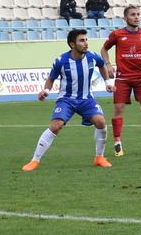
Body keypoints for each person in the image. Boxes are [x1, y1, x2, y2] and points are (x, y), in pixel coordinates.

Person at [21, 28, 113, 171]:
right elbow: (51, 79)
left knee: (100, 122)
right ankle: (35, 160)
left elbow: (102, 65)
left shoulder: (93, 57)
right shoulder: (61, 61)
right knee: (56, 126)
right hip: (66, 100)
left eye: (86, 40)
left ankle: (99, 157)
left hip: (86, 99)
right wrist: (46, 90)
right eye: (81, 40)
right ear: (72, 44)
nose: (86, 43)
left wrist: (108, 82)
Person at [102, 6, 141, 156]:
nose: (137, 17)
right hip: (122, 77)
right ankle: (117, 143)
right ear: (126, 18)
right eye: (133, 15)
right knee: (119, 109)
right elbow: (104, 49)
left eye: (138, 14)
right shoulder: (117, 34)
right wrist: (107, 64)